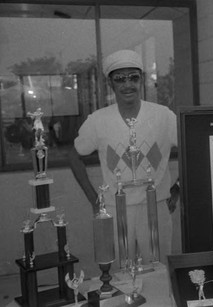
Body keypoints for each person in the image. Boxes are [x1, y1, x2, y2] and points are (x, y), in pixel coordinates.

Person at [68, 49, 180, 265]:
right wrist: (94, 200)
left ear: (142, 80)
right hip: (115, 207)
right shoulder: (98, 120)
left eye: (133, 77)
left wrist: (177, 189)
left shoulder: (163, 115)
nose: (127, 85)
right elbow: (74, 156)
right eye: (120, 79)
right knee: (120, 272)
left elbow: (190, 149)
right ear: (111, 84)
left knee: (159, 269)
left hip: (155, 205)